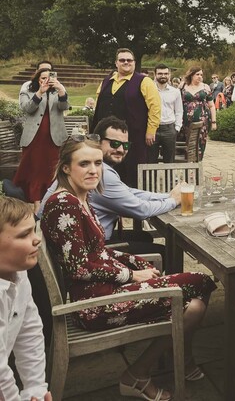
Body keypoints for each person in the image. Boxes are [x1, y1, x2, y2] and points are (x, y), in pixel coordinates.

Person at [40, 138, 215, 400]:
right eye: (84, 164)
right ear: (66, 168)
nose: (93, 170)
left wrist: (135, 262)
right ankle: (145, 372)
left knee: (195, 306)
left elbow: (99, 252)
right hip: (96, 305)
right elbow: (79, 268)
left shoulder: (80, 199)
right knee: (200, 280)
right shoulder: (64, 204)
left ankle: (146, 370)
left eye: (97, 163)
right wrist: (131, 275)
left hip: (107, 291)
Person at [39, 116, 182, 259]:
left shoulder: (96, 176)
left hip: (91, 244)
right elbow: (141, 210)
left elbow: (128, 192)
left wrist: (168, 196)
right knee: (165, 252)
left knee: (143, 237)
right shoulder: (72, 197)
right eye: (114, 143)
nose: (120, 149)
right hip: (94, 250)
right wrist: (173, 201)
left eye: (125, 145)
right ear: (97, 142)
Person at [0, 198, 51, 401]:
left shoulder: (18, 274)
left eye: (33, 230)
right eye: (24, 234)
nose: (36, 239)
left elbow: (29, 331)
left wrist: (35, 389)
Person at [93, 48, 161, 188]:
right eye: (122, 60)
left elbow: (155, 107)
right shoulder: (106, 81)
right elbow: (98, 106)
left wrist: (151, 130)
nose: (126, 62)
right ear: (116, 63)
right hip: (107, 138)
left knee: (132, 172)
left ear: (134, 63)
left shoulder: (144, 81)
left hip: (133, 137)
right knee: (106, 170)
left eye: (129, 60)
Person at [14, 67, 69, 205]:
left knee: (51, 169)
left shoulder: (58, 90)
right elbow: (27, 108)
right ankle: (35, 200)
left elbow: (64, 107)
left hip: (54, 138)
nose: (46, 80)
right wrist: (39, 92)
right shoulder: (29, 90)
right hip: (34, 138)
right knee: (34, 169)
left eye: (49, 78)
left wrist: (62, 91)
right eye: (43, 78)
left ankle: (51, 198)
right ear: (37, 79)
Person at [148, 64, 183, 164]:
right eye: (160, 73)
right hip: (152, 129)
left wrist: (177, 128)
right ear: (155, 74)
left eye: (165, 73)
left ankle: (169, 180)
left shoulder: (175, 92)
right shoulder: (149, 90)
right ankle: (151, 180)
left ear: (169, 75)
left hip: (169, 129)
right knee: (150, 159)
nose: (163, 76)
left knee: (169, 160)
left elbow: (179, 111)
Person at [180, 67, 217, 160]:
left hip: (202, 121)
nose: (200, 76)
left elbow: (212, 106)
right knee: (185, 143)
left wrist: (214, 122)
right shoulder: (183, 86)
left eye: (201, 75)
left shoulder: (205, 87)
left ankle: (198, 165)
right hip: (184, 121)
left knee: (200, 143)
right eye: (197, 74)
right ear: (191, 75)